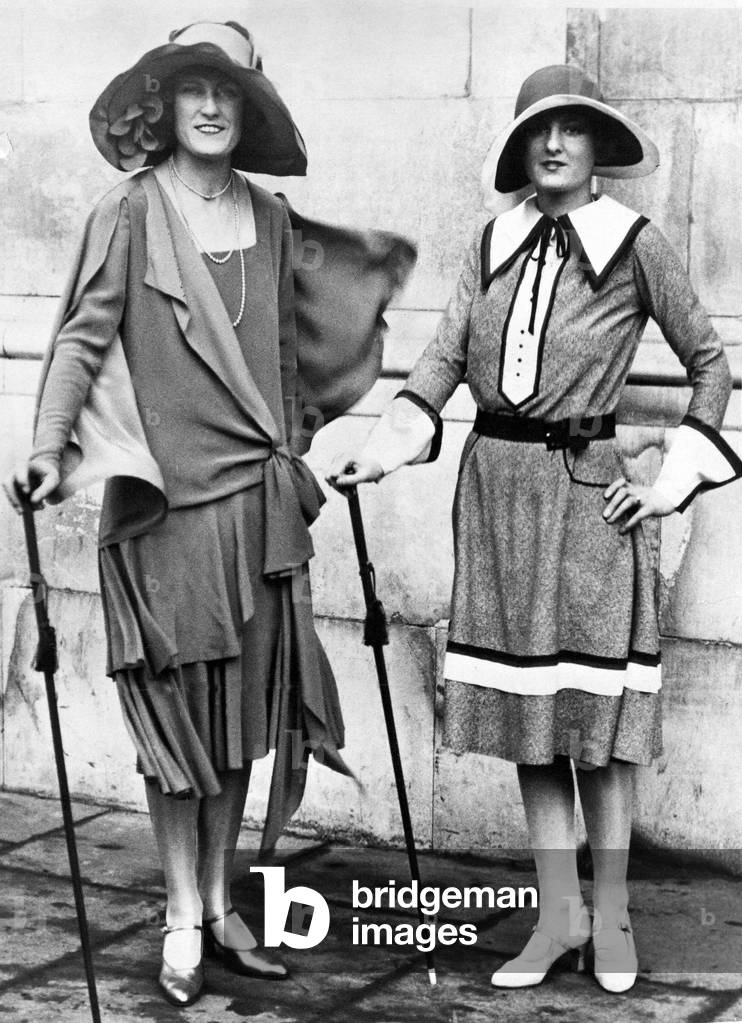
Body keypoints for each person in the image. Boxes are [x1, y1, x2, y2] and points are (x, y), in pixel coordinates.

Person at [4, 21, 413, 1008]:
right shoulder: (126, 211)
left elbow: (288, 359)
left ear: (250, 105)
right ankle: (182, 911)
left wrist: (297, 443)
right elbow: (80, 340)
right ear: (165, 102)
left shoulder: (271, 219)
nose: (212, 105)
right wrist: (49, 448)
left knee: (239, 722)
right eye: (195, 86)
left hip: (255, 511)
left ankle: (221, 903)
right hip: (165, 514)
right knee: (175, 721)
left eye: (230, 90)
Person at [329, 65, 741, 993]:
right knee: (532, 718)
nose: (554, 143)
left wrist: (671, 479)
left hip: (590, 502)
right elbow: (439, 363)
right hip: (497, 500)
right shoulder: (493, 242)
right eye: (538, 129)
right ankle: (559, 918)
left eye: (573, 127)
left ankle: (614, 915)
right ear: (519, 148)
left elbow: (712, 364)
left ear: (597, 147)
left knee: (596, 720)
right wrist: (381, 451)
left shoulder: (635, 244)